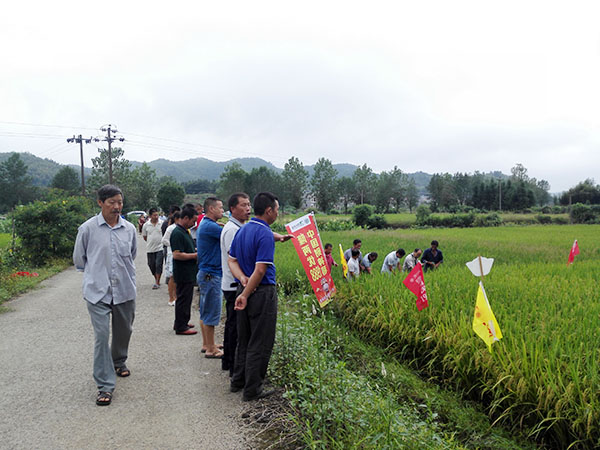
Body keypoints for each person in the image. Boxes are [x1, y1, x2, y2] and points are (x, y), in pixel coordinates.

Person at [73, 185, 137, 406]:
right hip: (97, 292)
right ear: (100, 203)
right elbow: (79, 260)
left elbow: (132, 255)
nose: (117, 206)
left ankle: (119, 361)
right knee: (101, 337)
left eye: (120, 202)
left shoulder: (129, 229)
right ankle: (105, 385)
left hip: (124, 290)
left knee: (124, 331)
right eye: (112, 202)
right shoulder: (87, 229)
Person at [227, 192, 281, 401]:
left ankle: (238, 381)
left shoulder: (243, 229)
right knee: (261, 341)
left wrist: (242, 280)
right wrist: (247, 292)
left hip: (244, 290)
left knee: (245, 338)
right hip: (261, 293)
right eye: (276, 209)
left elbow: (232, 260)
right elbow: (260, 270)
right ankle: (252, 389)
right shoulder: (264, 233)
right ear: (269, 211)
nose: (277, 213)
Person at [196, 197, 225, 358]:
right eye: (220, 207)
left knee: (205, 310)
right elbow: (233, 236)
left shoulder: (206, 224)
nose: (223, 210)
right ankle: (211, 349)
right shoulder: (210, 226)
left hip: (206, 273)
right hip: (211, 274)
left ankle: (208, 343)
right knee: (212, 311)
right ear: (211, 209)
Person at [170, 207, 198, 335]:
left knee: (186, 298)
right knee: (183, 298)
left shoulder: (184, 231)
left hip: (188, 271)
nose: (194, 223)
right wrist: (194, 255)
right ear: (186, 218)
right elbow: (177, 254)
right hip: (183, 272)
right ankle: (181, 326)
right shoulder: (177, 233)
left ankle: (181, 321)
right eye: (193, 220)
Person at [142, 207, 164, 289]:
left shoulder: (162, 223)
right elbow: (145, 237)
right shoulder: (146, 225)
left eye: (157, 215)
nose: (156, 217)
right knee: (151, 265)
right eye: (154, 215)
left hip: (160, 247)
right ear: (150, 216)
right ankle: (156, 278)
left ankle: (157, 282)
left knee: (158, 264)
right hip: (150, 248)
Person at [162, 211, 180, 306]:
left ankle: (176, 296)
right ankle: (171, 297)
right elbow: (164, 240)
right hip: (171, 254)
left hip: (178, 254)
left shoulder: (181, 228)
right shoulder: (171, 228)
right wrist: (174, 244)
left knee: (177, 277)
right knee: (172, 276)